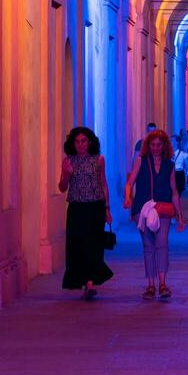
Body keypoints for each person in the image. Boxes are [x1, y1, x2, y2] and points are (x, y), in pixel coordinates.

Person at [123, 128, 184, 300]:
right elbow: (130, 182)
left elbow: (174, 191)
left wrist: (180, 216)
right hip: (143, 210)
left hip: (163, 209)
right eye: (152, 145)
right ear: (148, 146)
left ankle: (163, 284)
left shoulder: (169, 165)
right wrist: (128, 198)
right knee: (148, 247)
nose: (155, 148)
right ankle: (151, 285)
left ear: (164, 146)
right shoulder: (141, 161)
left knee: (162, 244)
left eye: (159, 145)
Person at [58, 126, 114, 300]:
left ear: (90, 142)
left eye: (83, 141)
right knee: (78, 245)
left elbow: (103, 184)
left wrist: (107, 208)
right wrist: (66, 175)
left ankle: (90, 282)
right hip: (76, 207)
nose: (80, 145)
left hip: (95, 207)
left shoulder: (98, 160)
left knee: (94, 245)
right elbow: (62, 187)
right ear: (72, 143)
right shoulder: (68, 161)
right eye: (77, 141)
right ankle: (82, 279)